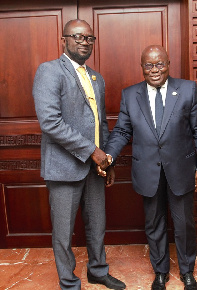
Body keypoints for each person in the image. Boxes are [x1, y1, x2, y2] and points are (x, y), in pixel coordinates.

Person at [103, 45, 197, 290]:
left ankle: (187, 272)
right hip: (147, 172)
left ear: (168, 63)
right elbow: (122, 130)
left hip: (182, 170)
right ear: (141, 67)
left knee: (184, 224)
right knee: (154, 224)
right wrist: (109, 155)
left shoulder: (187, 90)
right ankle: (160, 272)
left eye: (159, 64)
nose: (154, 70)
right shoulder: (130, 94)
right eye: (148, 65)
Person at [32, 19, 126, 290]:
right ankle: (69, 283)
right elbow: (50, 122)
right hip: (64, 167)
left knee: (97, 225)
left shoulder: (97, 77)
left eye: (89, 38)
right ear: (64, 40)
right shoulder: (49, 71)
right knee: (63, 233)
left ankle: (98, 270)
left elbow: (100, 122)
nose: (84, 42)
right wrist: (92, 152)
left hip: (95, 168)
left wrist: (107, 159)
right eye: (78, 37)